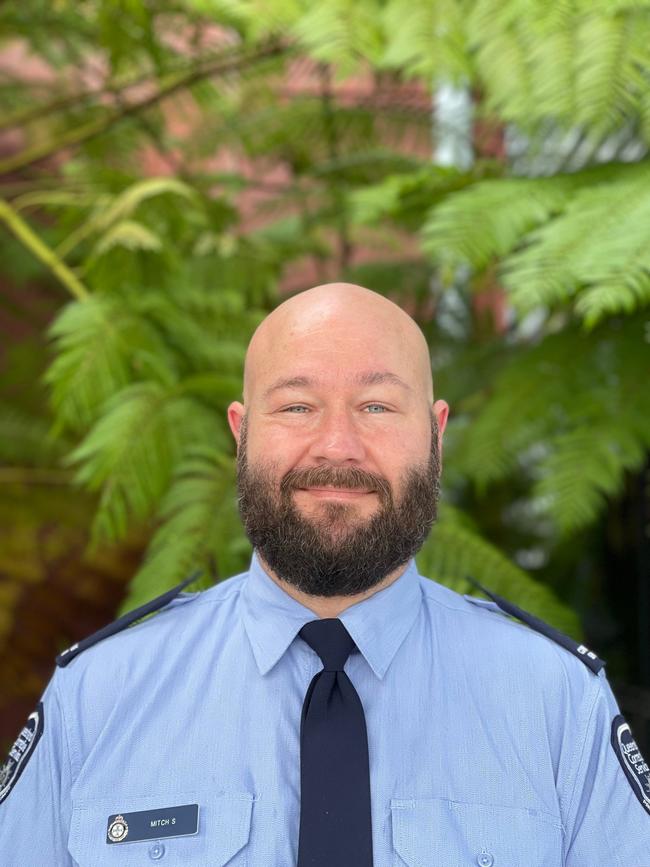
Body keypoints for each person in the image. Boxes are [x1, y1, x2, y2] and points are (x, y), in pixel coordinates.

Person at [0, 282, 648, 865]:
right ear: (242, 433)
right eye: (298, 406)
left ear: (436, 434)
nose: (337, 446)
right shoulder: (98, 697)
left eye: (376, 406)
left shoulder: (556, 701)